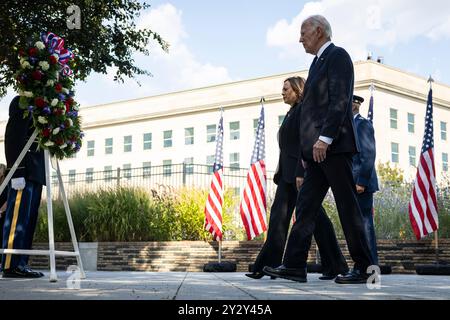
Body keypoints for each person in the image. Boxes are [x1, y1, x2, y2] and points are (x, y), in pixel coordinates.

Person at [264, 15, 374, 284]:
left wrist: (325, 138)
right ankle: (293, 266)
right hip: (315, 154)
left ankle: (365, 269)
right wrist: (305, 158)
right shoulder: (315, 64)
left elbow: (339, 100)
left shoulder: (338, 56)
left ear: (319, 31)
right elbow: (311, 112)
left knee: (348, 208)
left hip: (333, 148)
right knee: (305, 208)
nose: (300, 38)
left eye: (304, 33)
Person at [246, 77, 348, 280]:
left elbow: (305, 141)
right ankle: (267, 265)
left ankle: (336, 265)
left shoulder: (303, 110)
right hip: (286, 174)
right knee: (278, 218)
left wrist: (302, 172)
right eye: (282, 89)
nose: (282, 92)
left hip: (299, 173)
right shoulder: (291, 111)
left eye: (286, 89)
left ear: (298, 90)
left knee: (316, 219)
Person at [1, 96, 45, 278]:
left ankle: (21, 263)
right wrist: (16, 171)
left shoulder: (46, 108)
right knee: (17, 221)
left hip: (36, 172)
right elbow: (13, 137)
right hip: (24, 170)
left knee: (28, 220)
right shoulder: (24, 102)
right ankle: (11, 265)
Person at [351, 95, 379, 266]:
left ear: (356, 105)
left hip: (361, 184)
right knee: (356, 228)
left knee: (365, 226)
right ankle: (361, 265)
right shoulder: (345, 125)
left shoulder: (363, 124)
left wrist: (361, 181)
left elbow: (368, 154)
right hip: (349, 183)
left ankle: (371, 268)